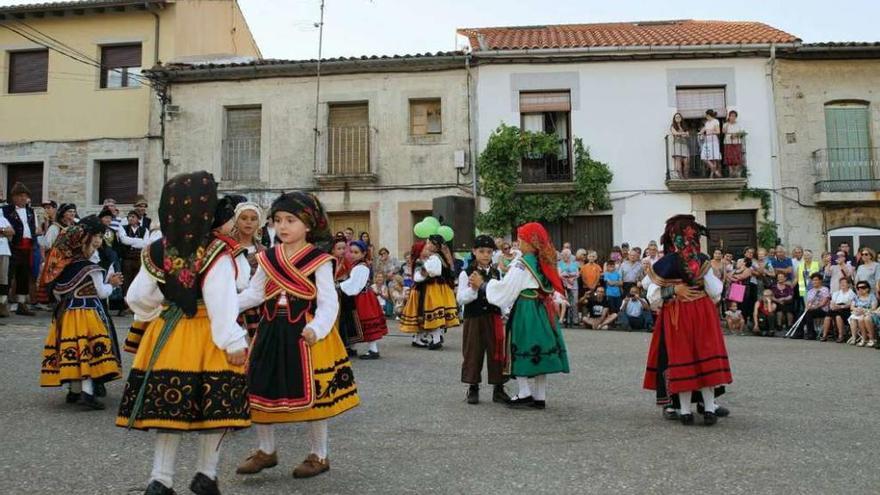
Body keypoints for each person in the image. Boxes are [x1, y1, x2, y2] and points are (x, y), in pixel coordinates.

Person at [115, 172, 250, 495]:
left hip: (168, 337)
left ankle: (160, 479)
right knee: (216, 410)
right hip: (208, 336)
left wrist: (161, 309)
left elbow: (136, 298)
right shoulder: (216, 251)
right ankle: (206, 475)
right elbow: (222, 302)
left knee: (168, 410)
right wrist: (232, 340)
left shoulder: (157, 249)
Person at [236, 191, 359, 480]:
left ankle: (319, 455)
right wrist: (220, 306)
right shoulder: (268, 257)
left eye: (290, 220)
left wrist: (317, 328)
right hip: (270, 330)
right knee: (259, 386)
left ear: (308, 224)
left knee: (315, 394)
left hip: (306, 332)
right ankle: (266, 450)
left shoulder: (320, 260)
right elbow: (255, 293)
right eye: (278, 220)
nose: (283, 226)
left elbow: (329, 302)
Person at [643, 215, 730, 426]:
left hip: (682, 314)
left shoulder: (690, 260)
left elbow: (652, 294)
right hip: (684, 315)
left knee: (692, 356)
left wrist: (675, 291)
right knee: (689, 355)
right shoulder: (679, 261)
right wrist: (676, 290)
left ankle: (699, 406)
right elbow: (716, 292)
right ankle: (679, 405)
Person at [39, 216, 123, 409]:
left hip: (67, 315)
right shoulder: (90, 268)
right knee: (88, 351)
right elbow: (101, 292)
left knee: (73, 351)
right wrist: (112, 284)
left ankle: (74, 391)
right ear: (83, 240)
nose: (99, 242)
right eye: (97, 237)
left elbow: (58, 293)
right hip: (88, 314)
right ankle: (87, 393)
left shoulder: (64, 267)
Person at [486, 222, 569, 410]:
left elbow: (506, 289)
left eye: (521, 239)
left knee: (520, 346)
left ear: (531, 242)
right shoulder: (544, 261)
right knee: (539, 348)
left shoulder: (522, 265)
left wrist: (487, 285)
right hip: (542, 310)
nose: (518, 243)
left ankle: (524, 393)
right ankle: (540, 396)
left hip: (526, 309)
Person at [457, 235, 510, 405]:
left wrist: (505, 311)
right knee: (473, 351)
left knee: (496, 352)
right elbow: (461, 299)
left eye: (489, 252)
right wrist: (473, 290)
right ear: (474, 252)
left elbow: (501, 294)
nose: (485, 255)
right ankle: (473, 387)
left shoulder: (496, 272)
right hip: (474, 317)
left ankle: (498, 388)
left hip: (493, 317)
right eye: (481, 251)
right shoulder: (466, 273)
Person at [400, 236, 460, 350]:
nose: (427, 249)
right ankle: (424, 338)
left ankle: (431, 338)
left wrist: (427, 272)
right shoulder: (421, 261)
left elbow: (437, 272)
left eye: (429, 246)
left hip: (432, 289)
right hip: (424, 290)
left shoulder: (435, 258)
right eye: (425, 247)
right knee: (425, 314)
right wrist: (426, 273)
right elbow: (418, 277)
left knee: (431, 314)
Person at [340, 240, 389, 360]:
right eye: (351, 252)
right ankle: (351, 347)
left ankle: (373, 350)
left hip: (363, 298)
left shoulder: (361, 267)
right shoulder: (356, 265)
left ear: (363, 254)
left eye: (356, 252)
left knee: (365, 321)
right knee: (353, 321)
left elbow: (354, 285)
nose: (352, 254)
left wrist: (339, 285)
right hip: (359, 296)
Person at [3, 182, 39, 316]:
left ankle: (21, 303)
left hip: (28, 247)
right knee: (8, 275)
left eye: (25, 196)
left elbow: (33, 229)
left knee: (24, 276)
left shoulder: (30, 211)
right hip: (12, 247)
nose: (23, 198)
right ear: (13, 197)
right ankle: (3, 303)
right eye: (20, 196)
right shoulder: (5, 210)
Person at [803, 273, 831, 341]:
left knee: (809, 313)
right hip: (812, 310)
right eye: (813, 280)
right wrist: (807, 307)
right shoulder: (810, 291)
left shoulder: (825, 289)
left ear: (820, 281)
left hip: (823, 310)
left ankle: (811, 334)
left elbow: (824, 302)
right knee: (803, 314)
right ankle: (799, 333)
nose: (814, 282)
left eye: (816, 280)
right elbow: (808, 302)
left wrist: (814, 307)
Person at [849, 281, 877, 347]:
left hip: (869, 313)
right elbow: (852, 307)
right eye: (858, 288)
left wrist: (863, 310)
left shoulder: (872, 296)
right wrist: (857, 310)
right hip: (858, 313)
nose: (860, 289)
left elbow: (873, 308)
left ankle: (871, 339)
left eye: (863, 287)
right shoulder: (856, 297)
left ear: (868, 288)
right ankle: (858, 338)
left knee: (863, 318)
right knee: (855, 318)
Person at [557, 248, 579, 327]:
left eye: (567, 254)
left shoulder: (575, 263)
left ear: (570, 255)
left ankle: (574, 320)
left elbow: (577, 274)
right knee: (565, 302)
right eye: (563, 254)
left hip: (574, 285)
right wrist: (567, 279)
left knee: (574, 302)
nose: (565, 256)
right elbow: (559, 274)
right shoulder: (559, 263)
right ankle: (565, 319)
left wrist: (572, 278)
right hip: (564, 285)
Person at [829, 277, 855, 343]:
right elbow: (832, 303)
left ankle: (841, 335)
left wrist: (841, 306)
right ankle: (824, 335)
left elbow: (850, 304)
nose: (842, 284)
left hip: (846, 310)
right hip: (836, 309)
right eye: (841, 283)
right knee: (828, 315)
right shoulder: (836, 293)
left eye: (844, 282)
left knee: (837, 316)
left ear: (848, 284)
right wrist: (833, 306)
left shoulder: (851, 293)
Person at [699, 109, 722, 178]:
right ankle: (715, 171)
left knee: (713, 158)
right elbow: (702, 130)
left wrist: (710, 131)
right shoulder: (707, 123)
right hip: (707, 140)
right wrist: (700, 133)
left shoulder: (716, 121)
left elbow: (718, 131)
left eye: (706, 115)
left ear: (709, 115)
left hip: (713, 140)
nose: (706, 116)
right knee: (704, 157)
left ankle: (711, 175)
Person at [722, 109, 745, 177]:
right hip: (728, 143)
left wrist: (735, 135)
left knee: (737, 158)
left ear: (736, 117)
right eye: (731, 116)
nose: (732, 117)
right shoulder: (726, 124)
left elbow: (742, 133)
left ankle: (736, 172)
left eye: (734, 116)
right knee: (729, 159)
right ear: (729, 117)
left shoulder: (739, 125)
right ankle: (731, 172)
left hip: (737, 143)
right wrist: (727, 123)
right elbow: (724, 131)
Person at [669, 112, 690, 178]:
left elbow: (688, 135)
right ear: (674, 119)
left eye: (679, 117)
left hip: (684, 145)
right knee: (678, 161)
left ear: (681, 118)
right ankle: (681, 178)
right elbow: (675, 133)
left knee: (686, 162)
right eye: (676, 117)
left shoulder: (684, 126)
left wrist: (681, 134)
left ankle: (686, 177)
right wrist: (683, 133)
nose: (678, 118)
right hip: (677, 144)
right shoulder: (673, 126)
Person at [0, 212, 12, 317]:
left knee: (3, 279)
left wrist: (2, 231)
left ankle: (2, 303)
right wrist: (4, 231)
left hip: (3, 251)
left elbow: (11, 231)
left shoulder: (3, 218)